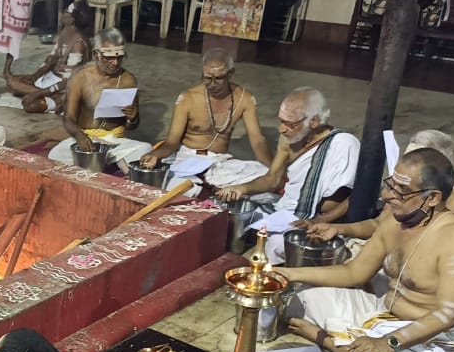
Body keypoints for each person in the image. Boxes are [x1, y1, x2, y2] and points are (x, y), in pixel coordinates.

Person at [277, 149, 454, 352]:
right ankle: (346, 350)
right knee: (298, 300)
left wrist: (388, 343)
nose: (388, 196)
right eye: (390, 184)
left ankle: (337, 348)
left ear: (432, 198)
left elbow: (448, 314)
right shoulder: (396, 219)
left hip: (445, 343)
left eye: (401, 191)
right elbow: (354, 273)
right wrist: (289, 274)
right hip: (383, 316)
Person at [215, 87, 360, 264]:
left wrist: (319, 220)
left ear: (314, 121)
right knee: (231, 214)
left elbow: (356, 197)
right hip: (286, 210)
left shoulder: (344, 144)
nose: (282, 129)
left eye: (290, 124)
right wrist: (241, 188)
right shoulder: (288, 140)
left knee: (279, 245)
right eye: (280, 121)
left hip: (322, 219)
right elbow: (273, 179)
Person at [300, 128, 454, 242]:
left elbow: (411, 240)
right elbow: (380, 224)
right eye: (406, 159)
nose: (405, 166)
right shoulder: (406, 186)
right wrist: (335, 228)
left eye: (414, 162)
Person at [130, 49, 272, 171]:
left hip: (219, 161)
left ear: (230, 73)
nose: (212, 84)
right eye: (207, 78)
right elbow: (171, 143)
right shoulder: (187, 98)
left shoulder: (244, 98)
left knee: (260, 179)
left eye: (218, 78)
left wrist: (272, 172)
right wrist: (156, 155)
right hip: (187, 157)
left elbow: (258, 141)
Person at [47, 28, 140, 165]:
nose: (115, 63)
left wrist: (133, 118)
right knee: (55, 155)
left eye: (119, 57)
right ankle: (113, 163)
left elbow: (132, 125)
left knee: (144, 149)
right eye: (109, 58)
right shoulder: (81, 77)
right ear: (96, 55)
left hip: (116, 142)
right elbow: (68, 118)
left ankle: (108, 160)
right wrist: (79, 136)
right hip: (86, 138)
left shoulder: (128, 80)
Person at [3, 3, 96, 115]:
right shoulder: (66, 32)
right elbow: (51, 59)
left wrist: (40, 92)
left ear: (70, 19)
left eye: (65, 11)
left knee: (30, 105)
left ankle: (55, 97)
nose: (62, 13)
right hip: (50, 81)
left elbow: (71, 80)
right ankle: (52, 96)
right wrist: (35, 76)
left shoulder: (79, 44)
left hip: (64, 86)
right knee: (12, 81)